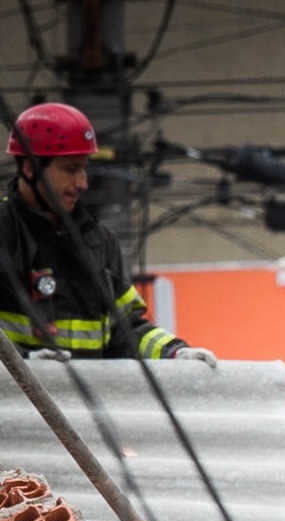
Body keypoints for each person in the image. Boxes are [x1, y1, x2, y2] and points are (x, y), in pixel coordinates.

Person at [2, 103, 214, 364]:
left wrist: (174, 352)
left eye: (84, 168)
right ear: (30, 169)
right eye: (70, 169)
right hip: (14, 403)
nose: (82, 183)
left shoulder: (99, 242)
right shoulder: (5, 233)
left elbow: (126, 328)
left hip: (83, 405)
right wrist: (24, 364)